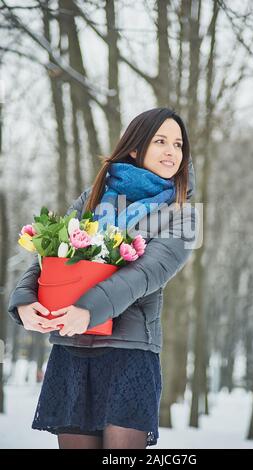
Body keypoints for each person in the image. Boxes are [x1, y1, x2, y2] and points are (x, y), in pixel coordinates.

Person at [8, 107, 198, 449]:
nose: (172, 152)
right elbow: (49, 254)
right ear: (136, 148)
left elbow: (147, 273)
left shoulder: (183, 213)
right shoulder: (93, 198)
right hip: (71, 349)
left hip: (130, 352)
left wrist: (88, 308)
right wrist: (24, 300)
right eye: (161, 141)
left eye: (178, 144)